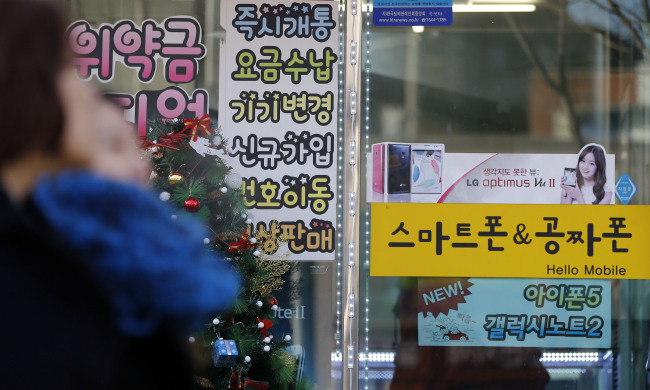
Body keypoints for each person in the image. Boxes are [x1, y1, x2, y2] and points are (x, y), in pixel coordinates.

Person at [0, 1, 239, 389]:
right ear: (22, 84)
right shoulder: (43, 279)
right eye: (67, 67)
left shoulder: (50, 255)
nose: (84, 87)